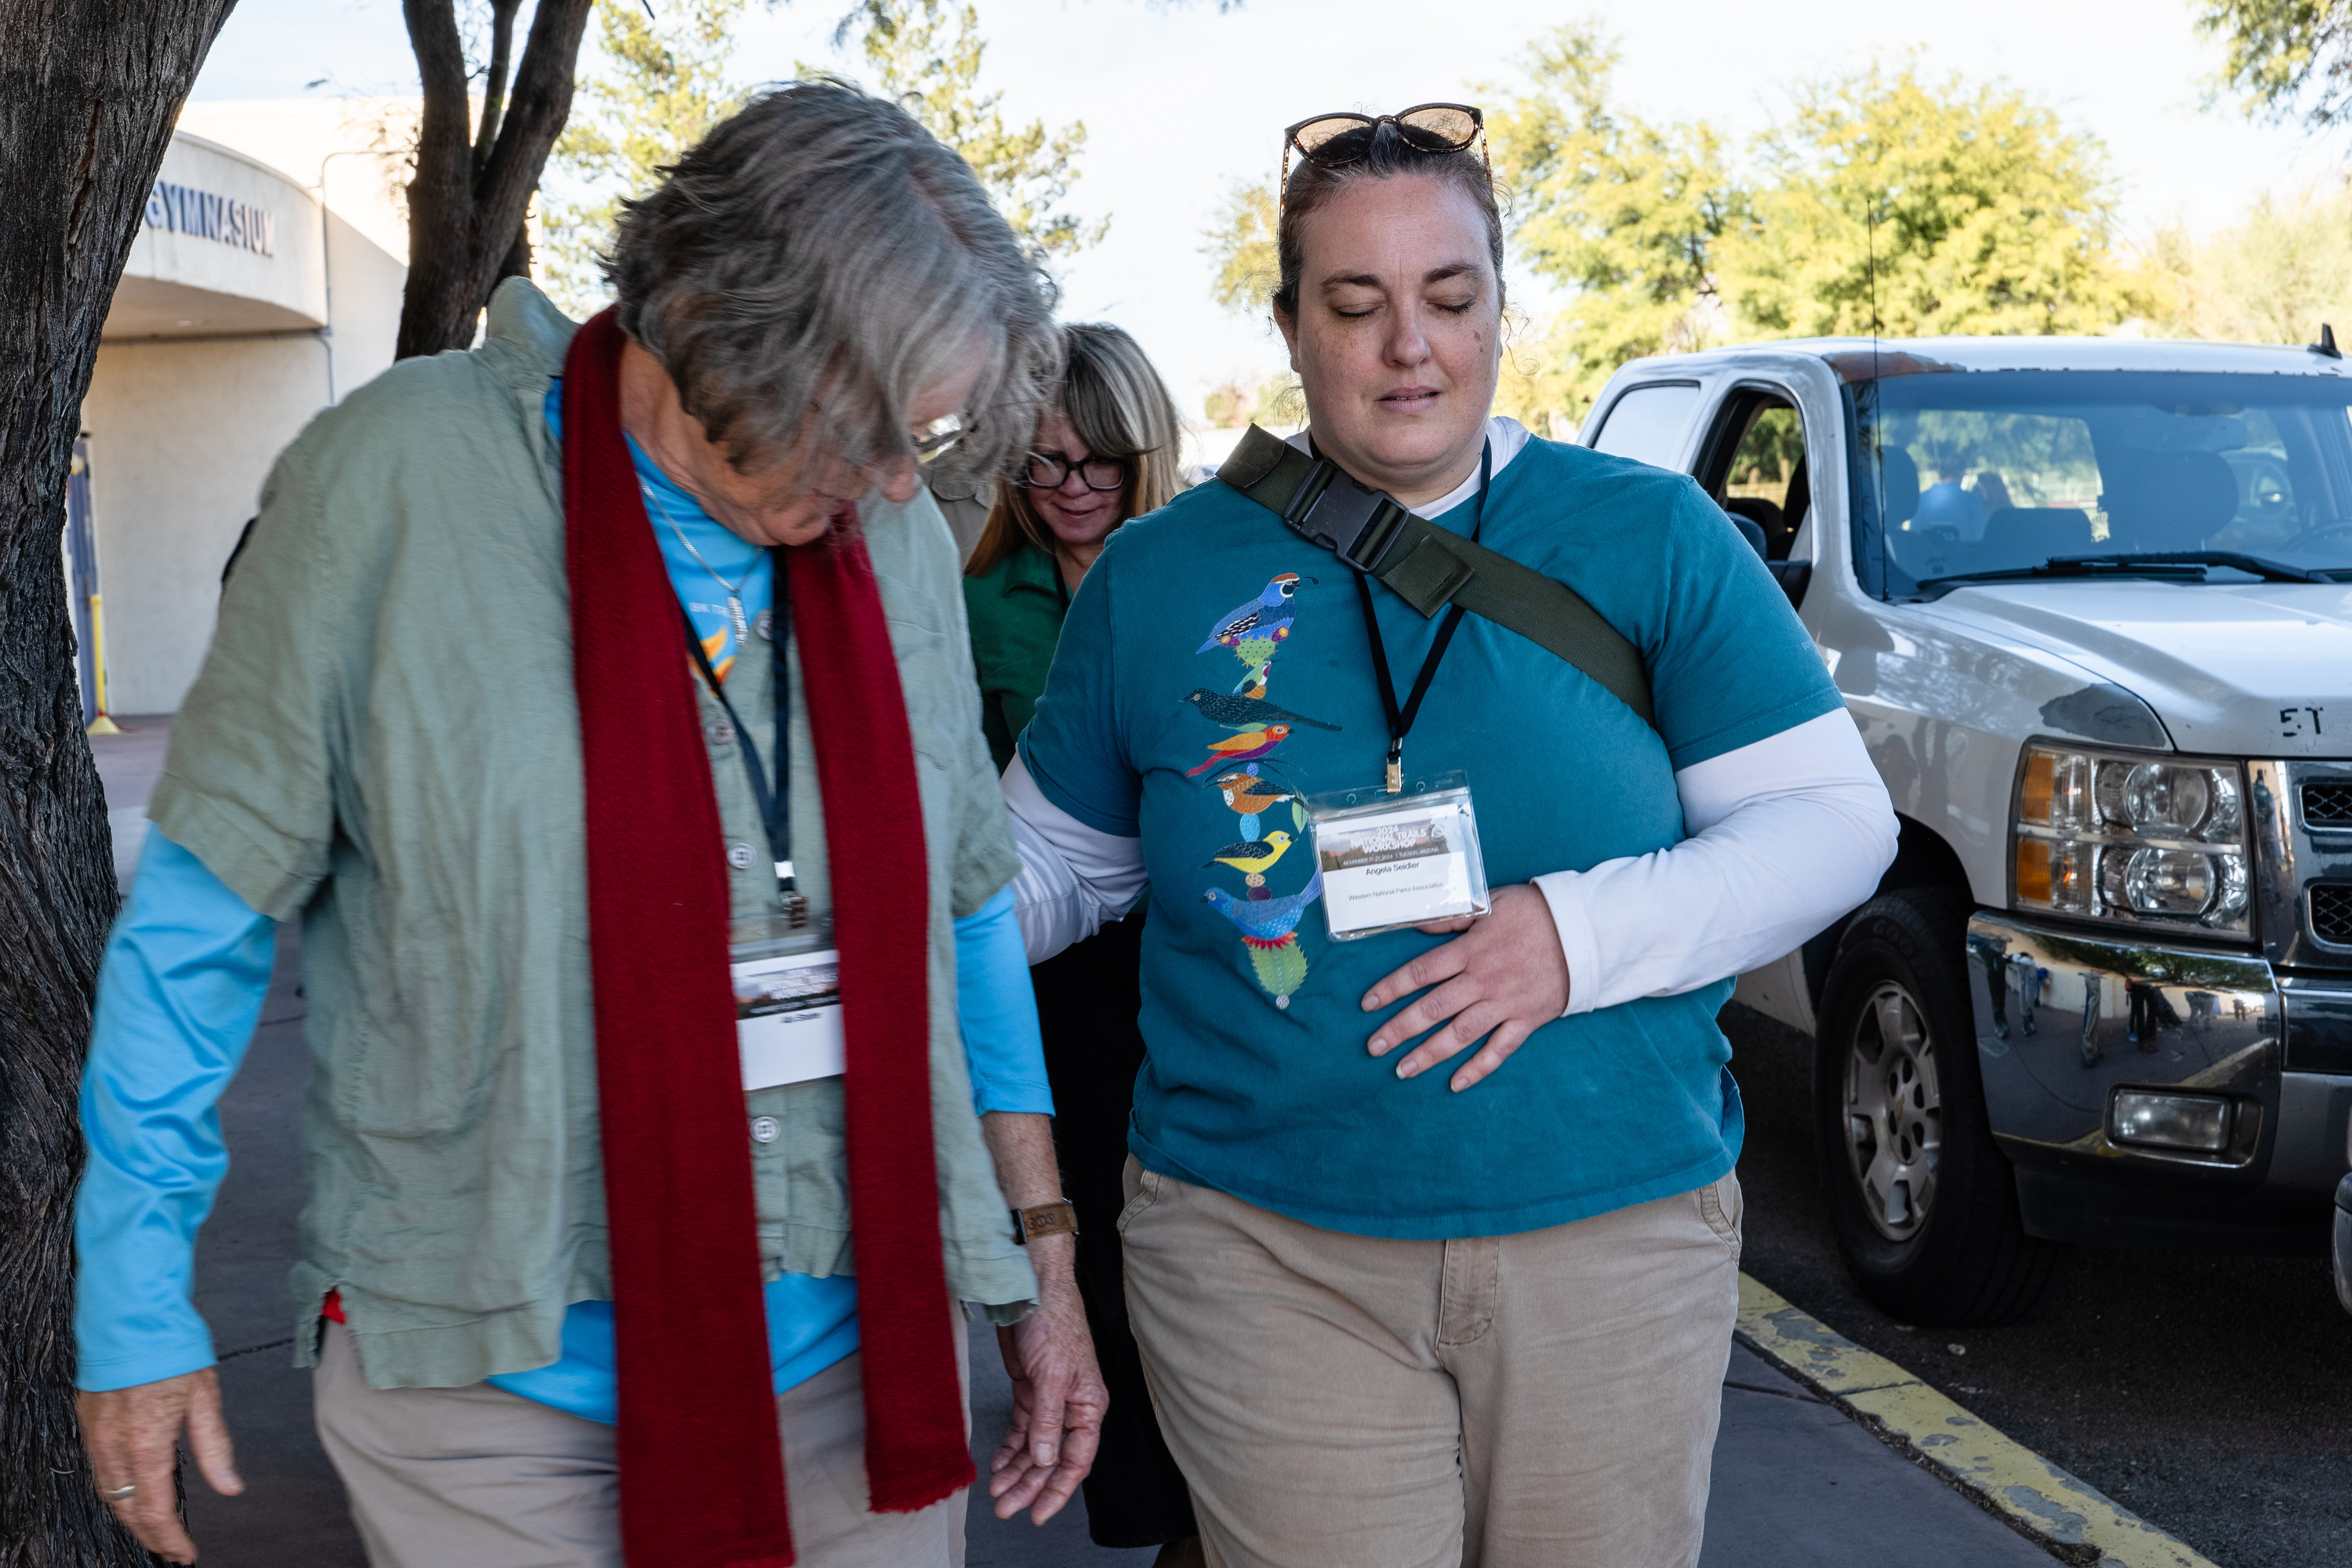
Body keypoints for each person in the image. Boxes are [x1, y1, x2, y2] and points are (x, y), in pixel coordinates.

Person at [72, 82, 1105, 1568]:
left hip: (855, 1360)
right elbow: (202, 916)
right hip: (489, 1387)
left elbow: (968, 917)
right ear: (732, 336)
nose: (898, 482)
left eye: (927, 439)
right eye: (877, 426)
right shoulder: (397, 482)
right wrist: (135, 1297)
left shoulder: (886, 543)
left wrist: (1038, 1262)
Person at [1001, 105, 1900, 1567]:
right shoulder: (1159, 577)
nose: (1409, 345)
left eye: (1450, 298)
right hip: (1263, 1249)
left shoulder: (1653, 535)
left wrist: (1575, 936)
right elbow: (1049, 869)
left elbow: (1833, 825)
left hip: (1611, 1235)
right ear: (1291, 327)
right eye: (1355, 305)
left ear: (1499, 307)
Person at [961, 324, 1200, 1563]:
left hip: (1201, 957)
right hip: (1058, 981)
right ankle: (1155, 1509)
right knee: (1099, 1243)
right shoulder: (975, 602)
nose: (1073, 489)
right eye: (1045, 464)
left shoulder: (1203, 579)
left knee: (1210, 1238)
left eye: (1100, 461)